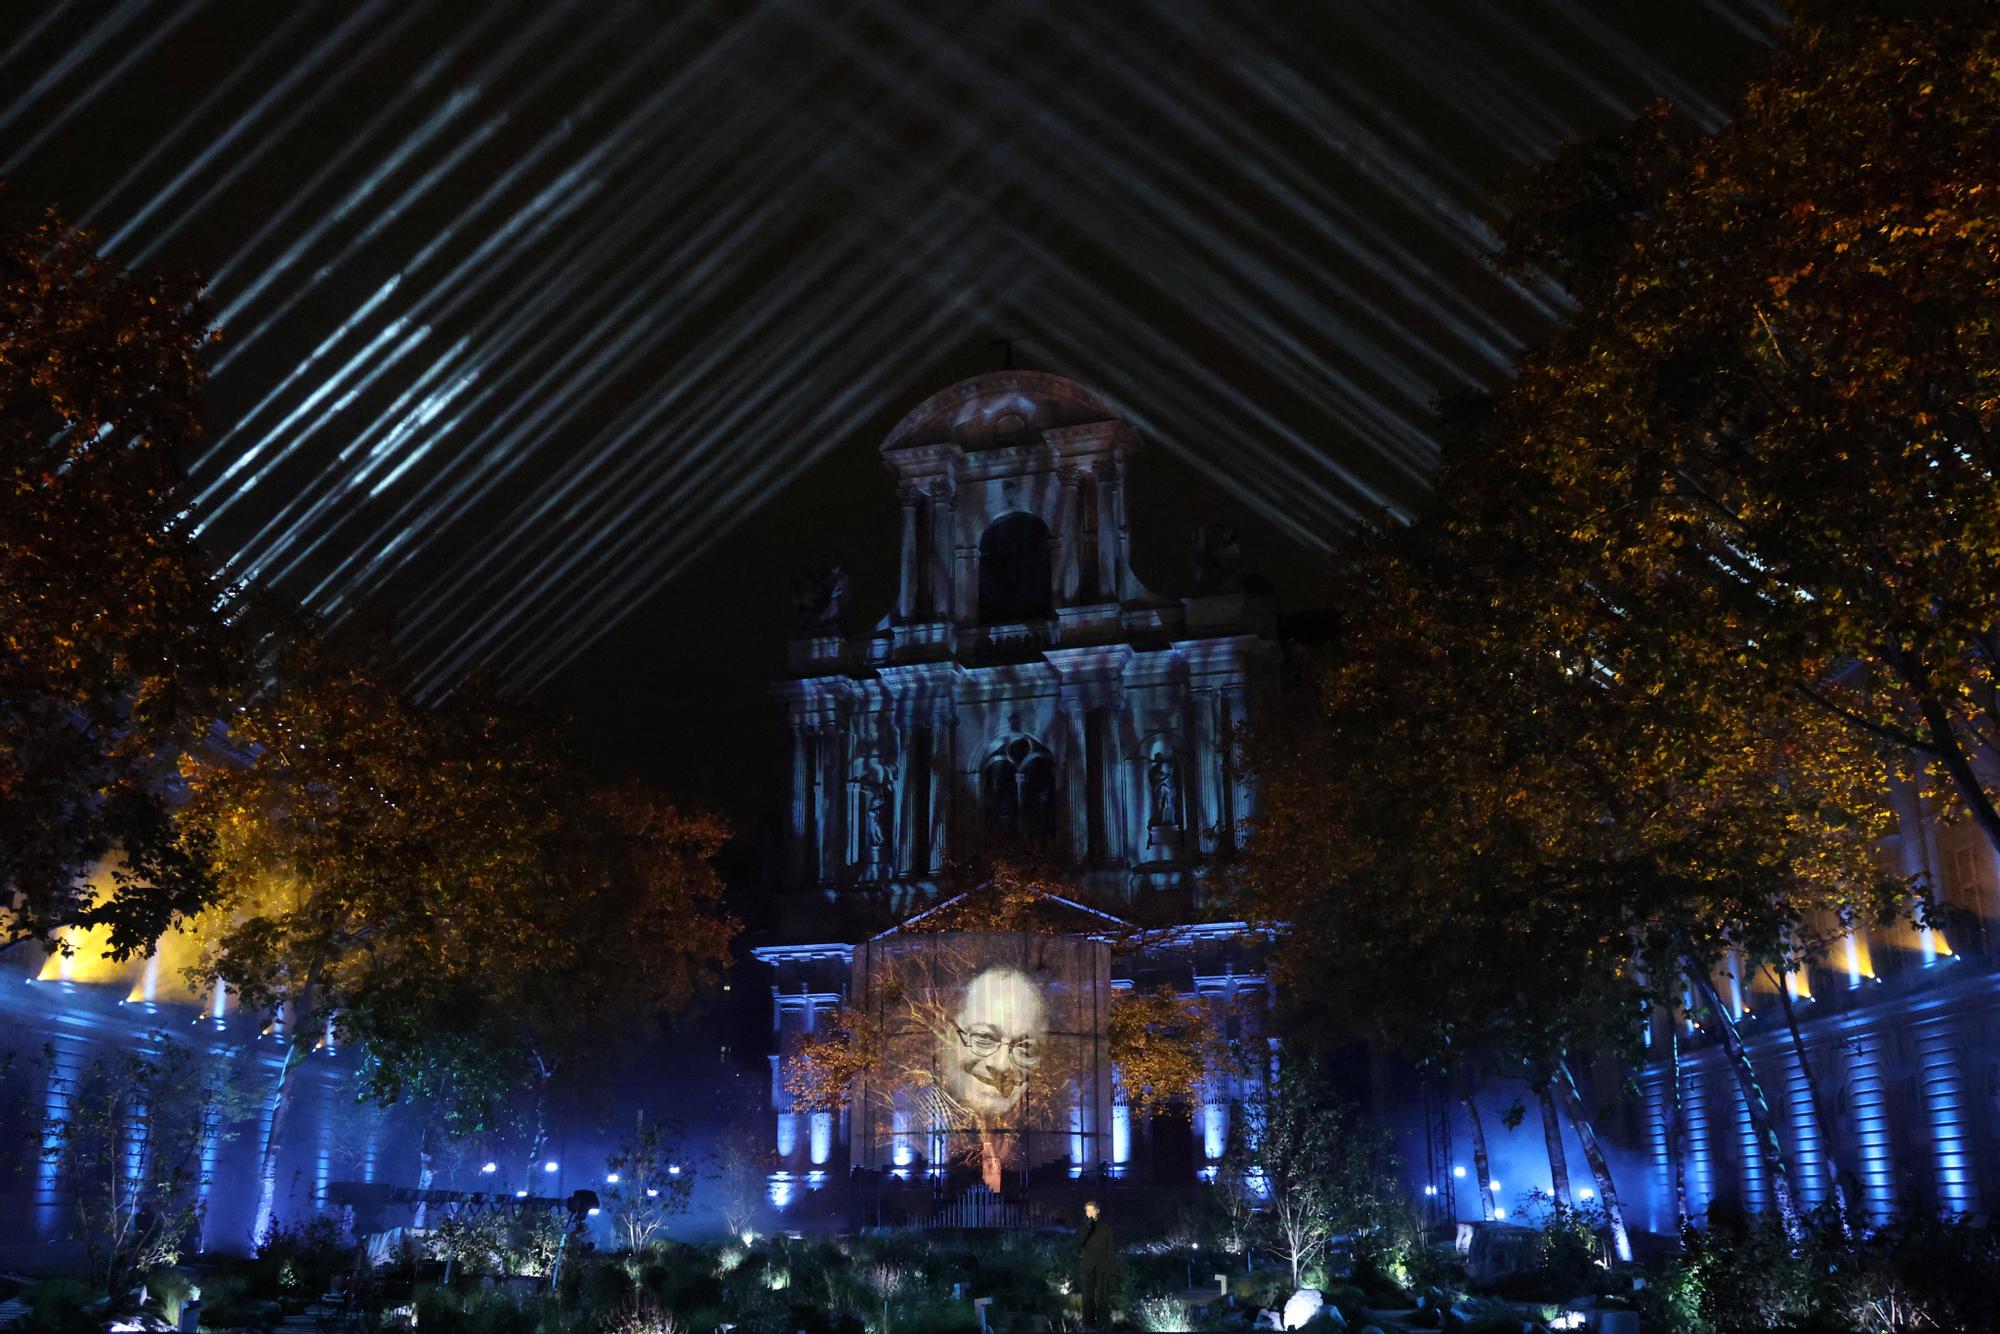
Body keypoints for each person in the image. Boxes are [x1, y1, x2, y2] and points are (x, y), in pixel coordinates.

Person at [1077, 1199, 1114, 1329]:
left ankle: (1103, 1324)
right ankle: (1088, 1324)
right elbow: (1078, 1243)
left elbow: (1110, 1249)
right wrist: (1088, 1227)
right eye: (1087, 1210)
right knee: (1087, 1297)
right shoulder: (1083, 1227)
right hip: (1087, 1267)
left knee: (1102, 1297)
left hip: (1102, 1267)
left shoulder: (1105, 1228)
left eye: (1092, 1210)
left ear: (1097, 1211)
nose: (1090, 1213)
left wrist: (1109, 1267)